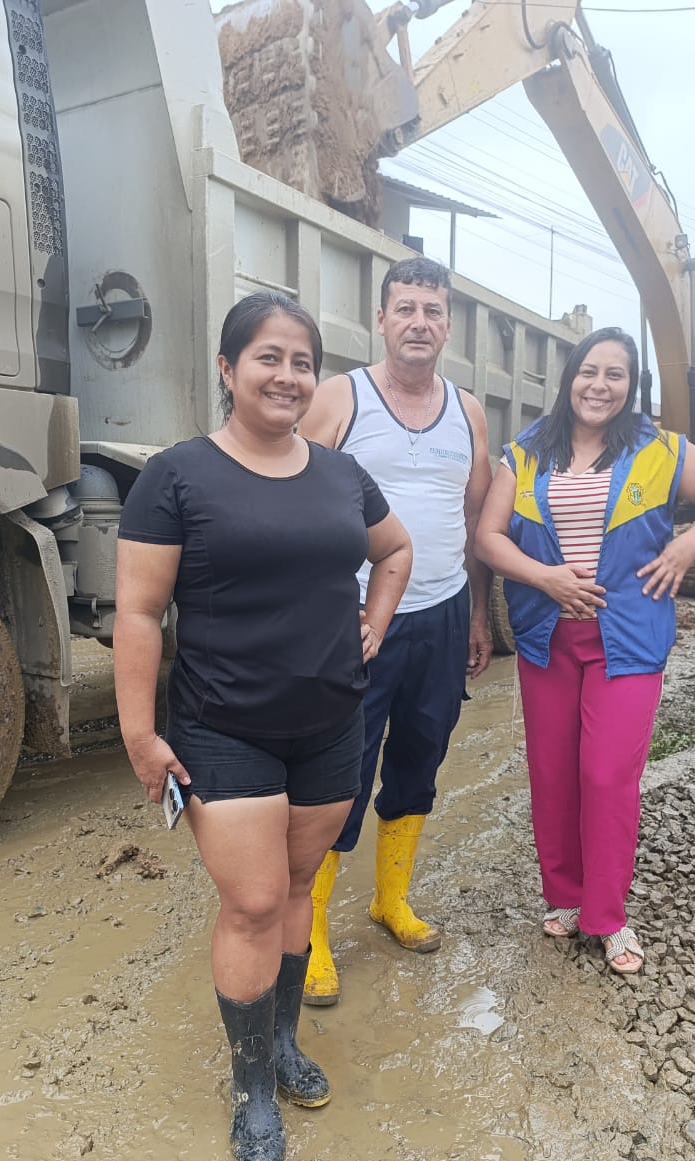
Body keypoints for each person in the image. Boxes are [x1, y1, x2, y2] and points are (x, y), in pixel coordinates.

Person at [113, 291, 411, 1161]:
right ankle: (250, 1088)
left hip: (330, 724)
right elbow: (138, 613)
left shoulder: (340, 474)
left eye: (301, 361)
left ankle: (281, 1044)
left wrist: (375, 620)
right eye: (267, 358)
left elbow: (395, 551)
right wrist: (139, 735)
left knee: (294, 890)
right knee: (250, 902)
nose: (287, 376)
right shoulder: (177, 476)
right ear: (228, 368)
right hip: (223, 727)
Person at [475, 327, 695, 975]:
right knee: (553, 773)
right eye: (588, 371)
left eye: (615, 375)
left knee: (606, 775)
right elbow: (488, 537)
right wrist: (545, 578)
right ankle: (563, 895)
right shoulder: (525, 452)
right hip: (546, 638)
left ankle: (606, 915)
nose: (598, 385)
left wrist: (687, 545)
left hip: (627, 639)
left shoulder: (658, 449)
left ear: (631, 387)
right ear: (569, 377)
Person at [296, 257, 493, 1005]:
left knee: (419, 759)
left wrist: (477, 613)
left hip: (443, 614)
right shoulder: (340, 398)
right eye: (405, 308)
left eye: (432, 311)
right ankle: (309, 931)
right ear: (380, 320)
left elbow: (473, 519)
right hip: (356, 622)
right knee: (338, 774)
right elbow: (294, 500)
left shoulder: (467, 412)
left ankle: (390, 901)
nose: (419, 322)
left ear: (448, 326)